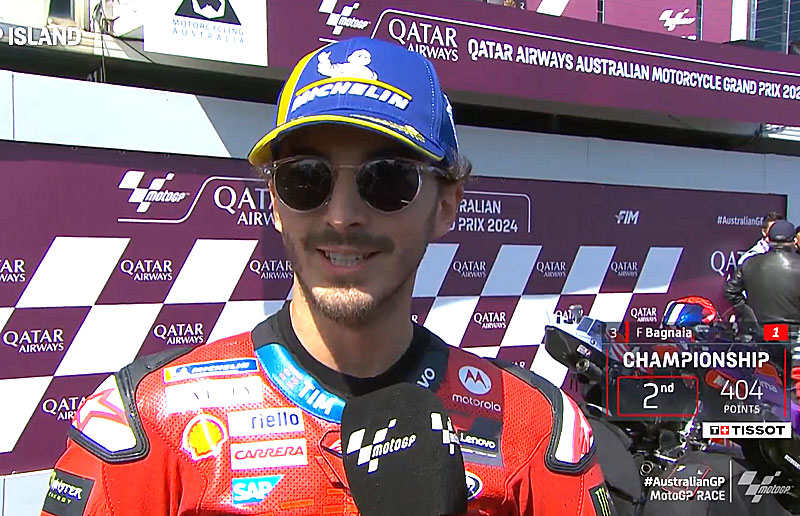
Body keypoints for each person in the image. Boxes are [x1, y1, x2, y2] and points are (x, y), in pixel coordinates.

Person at [41, 38, 611, 516]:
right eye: (305, 178)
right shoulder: (146, 421)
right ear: (274, 200)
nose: (341, 216)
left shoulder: (536, 427)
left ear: (445, 204)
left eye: (387, 179)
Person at [725, 219, 800, 329]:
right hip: (793, 331)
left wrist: (748, 312)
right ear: (794, 241)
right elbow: (730, 290)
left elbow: (730, 290)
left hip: (760, 330)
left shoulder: (749, 263)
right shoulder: (750, 263)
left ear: (768, 239)